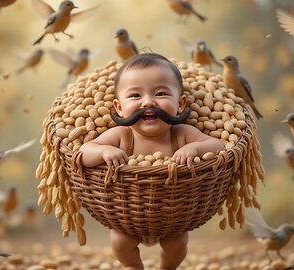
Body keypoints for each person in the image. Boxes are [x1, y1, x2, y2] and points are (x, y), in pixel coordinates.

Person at [79, 53, 225, 270]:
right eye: (135, 95)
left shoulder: (182, 134)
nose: (148, 102)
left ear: (180, 104)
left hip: (173, 217)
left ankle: (167, 268)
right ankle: (133, 266)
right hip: (127, 218)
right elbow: (83, 154)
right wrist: (104, 152)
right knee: (120, 243)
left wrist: (194, 147)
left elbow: (219, 146)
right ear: (119, 108)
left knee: (177, 244)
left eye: (160, 93)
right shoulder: (121, 135)